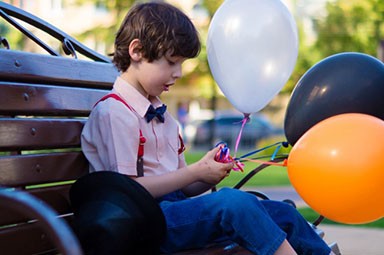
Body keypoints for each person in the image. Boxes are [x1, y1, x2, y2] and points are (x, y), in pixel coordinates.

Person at [81, 2, 333, 255]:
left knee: (283, 213)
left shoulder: (165, 119)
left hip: (173, 215)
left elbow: (183, 188)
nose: (178, 73)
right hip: (141, 223)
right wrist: (194, 172)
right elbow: (128, 192)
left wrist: (207, 173)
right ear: (137, 51)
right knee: (233, 203)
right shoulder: (115, 113)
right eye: (171, 62)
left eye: (180, 64)